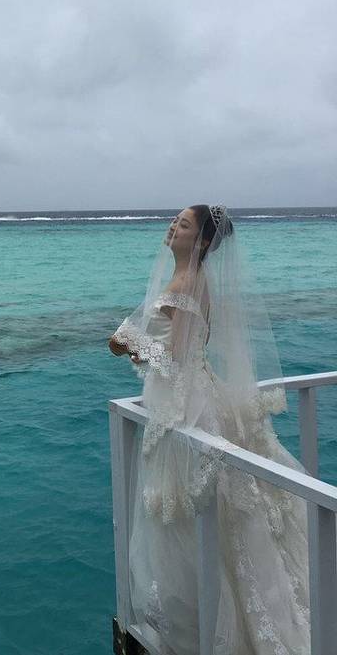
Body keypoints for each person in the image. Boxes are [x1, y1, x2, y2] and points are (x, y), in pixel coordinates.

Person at [108, 204, 310, 655]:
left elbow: (172, 359)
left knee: (192, 509)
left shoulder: (185, 283)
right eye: (174, 221)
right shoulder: (195, 279)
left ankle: (204, 620)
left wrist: (129, 343)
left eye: (182, 224)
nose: (172, 227)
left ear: (200, 241)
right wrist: (137, 344)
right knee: (212, 511)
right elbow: (184, 347)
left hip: (186, 404)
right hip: (193, 392)